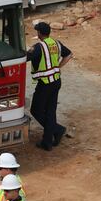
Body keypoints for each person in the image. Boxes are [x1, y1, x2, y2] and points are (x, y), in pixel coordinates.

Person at [27, 21, 73, 151]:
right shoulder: (56, 43)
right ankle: (48, 141)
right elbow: (69, 55)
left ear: (40, 33)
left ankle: (57, 130)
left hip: (45, 83)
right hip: (56, 81)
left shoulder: (38, 47)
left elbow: (24, 57)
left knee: (36, 110)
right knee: (50, 111)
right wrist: (58, 66)